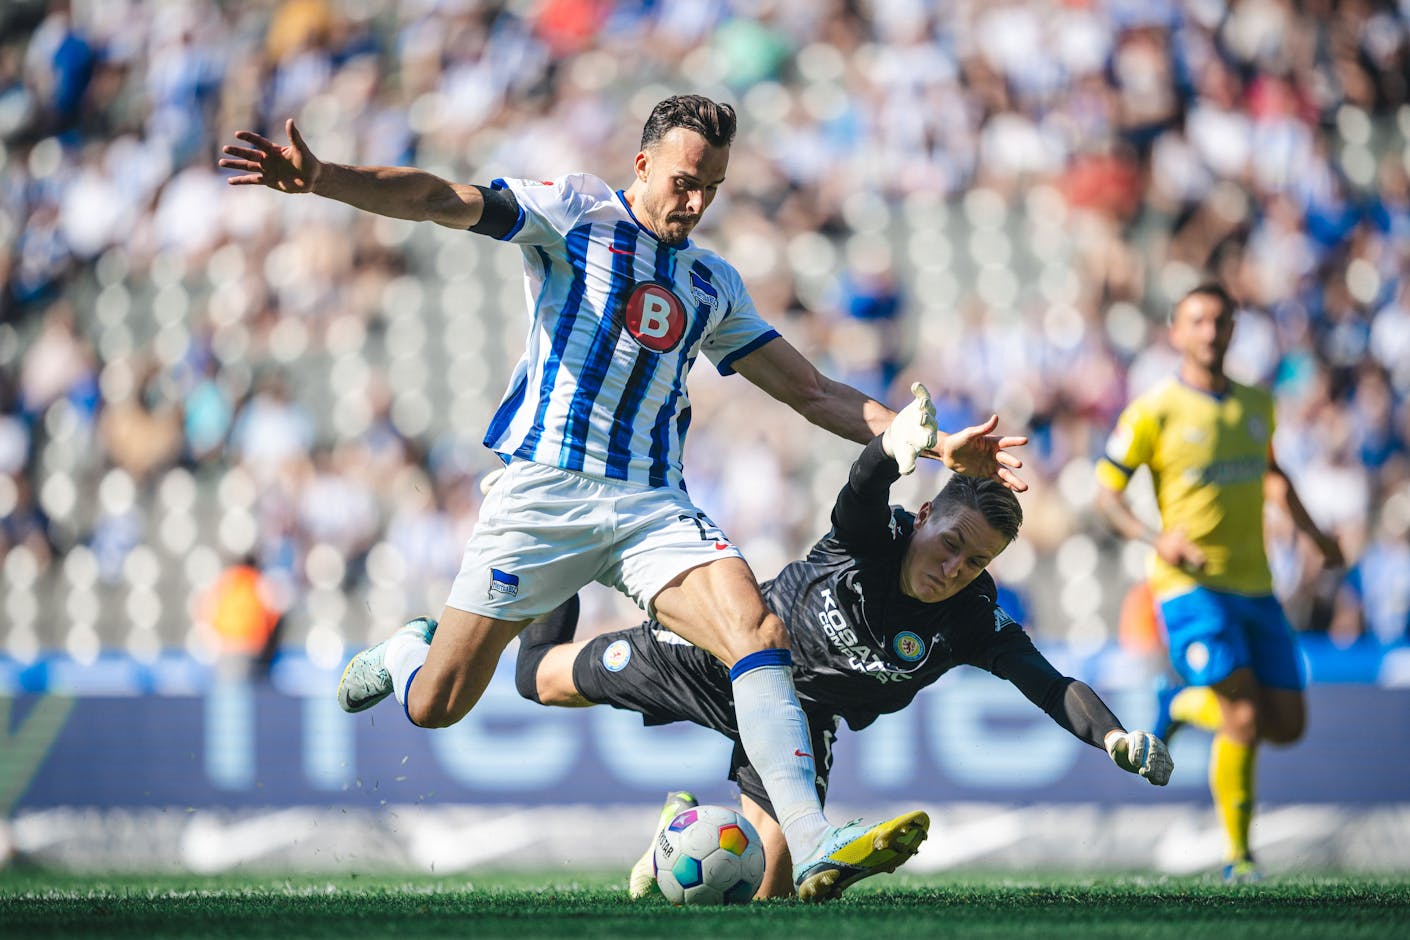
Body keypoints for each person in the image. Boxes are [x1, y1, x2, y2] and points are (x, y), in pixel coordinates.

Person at [218, 94, 1028, 901]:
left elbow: (813, 392)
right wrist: (324, 178)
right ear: (642, 165)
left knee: (756, 625)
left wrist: (923, 441)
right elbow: (440, 199)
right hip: (542, 494)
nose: (697, 200)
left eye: (712, 186)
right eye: (684, 181)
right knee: (436, 704)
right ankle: (409, 653)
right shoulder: (575, 215)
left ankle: (817, 841)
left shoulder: (711, 283)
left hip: (649, 504)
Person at [515, 422, 1173, 900]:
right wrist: (894, 445)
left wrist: (1114, 735)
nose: (954, 569)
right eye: (950, 544)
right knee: (537, 680)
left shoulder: (971, 617)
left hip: (799, 726)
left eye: (976, 562)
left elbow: (1050, 685)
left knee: (764, 894)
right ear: (923, 517)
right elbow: (860, 487)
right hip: (723, 654)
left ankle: (680, 837)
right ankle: (563, 543)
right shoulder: (872, 538)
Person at [1094, 283, 1343, 883]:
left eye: (1221, 322)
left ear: (1233, 330)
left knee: (1287, 725)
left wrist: (1314, 535)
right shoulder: (1153, 410)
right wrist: (1159, 540)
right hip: (1187, 586)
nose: (1210, 332)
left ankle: (1178, 701)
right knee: (1243, 719)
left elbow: (1274, 474)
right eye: (1198, 321)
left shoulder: (1257, 404)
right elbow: (1106, 494)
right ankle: (1240, 856)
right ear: (1176, 332)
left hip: (1256, 586)